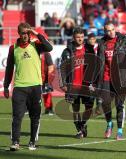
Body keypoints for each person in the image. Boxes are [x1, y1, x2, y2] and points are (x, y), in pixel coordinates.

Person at [3, 22, 53, 151]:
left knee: (35, 116)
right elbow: (9, 68)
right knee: (17, 116)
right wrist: (6, 86)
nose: (25, 35)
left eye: (27, 33)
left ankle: (32, 141)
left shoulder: (36, 44)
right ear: (19, 33)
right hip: (19, 87)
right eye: (23, 33)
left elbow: (49, 48)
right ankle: (15, 142)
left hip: (36, 86)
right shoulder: (13, 48)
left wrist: (37, 34)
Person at [97, 21, 126, 140]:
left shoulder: (124, 41)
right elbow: (99, 62)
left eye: (112, 29)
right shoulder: (101, 43)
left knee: (119, 105)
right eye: (108, 30)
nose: (111, 32)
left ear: (115, 29)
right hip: (106, 77)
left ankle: (119, 130)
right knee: (105, 102)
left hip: (120, 78)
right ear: (105, 31)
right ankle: (109, 123)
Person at [59, 27, 97, 139]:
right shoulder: (67, 51)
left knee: (89, 107)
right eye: (77, 37)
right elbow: (62, 68)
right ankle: (80, 129)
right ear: (73, 38)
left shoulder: (89, 50)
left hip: (86, 85)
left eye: (81, 37)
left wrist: (94, 83)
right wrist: (63, 84)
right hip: (73, 85)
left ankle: (83, 124)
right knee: (75, 109)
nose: (80, 39)